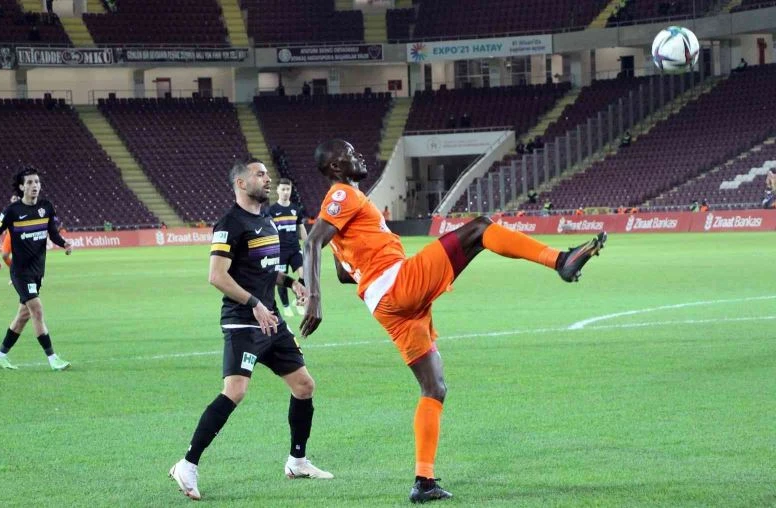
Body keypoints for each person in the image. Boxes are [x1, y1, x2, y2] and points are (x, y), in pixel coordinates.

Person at [301, 140, 607, 503]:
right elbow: (311, 244)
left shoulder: (345, 213)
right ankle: (559, 260)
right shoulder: (343, 194)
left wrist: (369, 260)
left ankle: (424, 481)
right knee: (480, 228)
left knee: (434, 387)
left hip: (385, 305)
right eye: (350, 154)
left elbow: (343, 273)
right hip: (397, 285)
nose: (359, 155)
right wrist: (314, 298)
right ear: (336, 168)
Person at [169, 159, 332, 501]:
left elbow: (263, 270)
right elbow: (217, 276)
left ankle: (297, 462)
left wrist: (291, 282)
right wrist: (254, 303)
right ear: (241, 183)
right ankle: (187, 464)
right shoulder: (229, 224)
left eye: (267, 174)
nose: (267, 178)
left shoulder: (266, 220)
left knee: (304, 386)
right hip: (243, 321)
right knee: (235, 391)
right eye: (260, 174)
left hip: (271, 320)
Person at [0, 166, 73, 370]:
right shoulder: (12, 211)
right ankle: (53, 359)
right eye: (30, 182)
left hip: (37, 272)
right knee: (37, 310)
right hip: (20, 272)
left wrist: (64, 244)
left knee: (23, 316)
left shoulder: (46, 207)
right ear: (21, 187)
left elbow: (53, 233)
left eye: (37, 182)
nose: (35, 186)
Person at [269, 178, 308, 318]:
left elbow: (301, 228)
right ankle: (286, 306)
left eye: (288, 189)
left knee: (304, 275)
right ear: (278, 190)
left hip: (294, 248)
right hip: (279, 251)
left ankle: (299, 300)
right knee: (282, 279)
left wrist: (307, 245)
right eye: (283, 189)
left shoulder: (296, 209)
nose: (286, 192)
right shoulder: (271, 211)